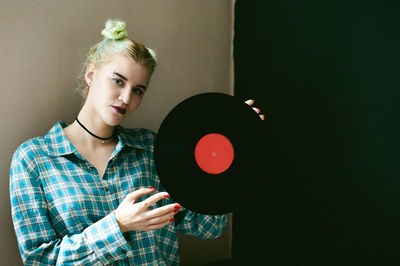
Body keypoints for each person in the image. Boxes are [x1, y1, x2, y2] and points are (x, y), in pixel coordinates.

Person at [9, 19, 264, 265]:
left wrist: (233, 137)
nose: (126, 97)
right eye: (118, 81)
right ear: (91, 74)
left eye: (138, 90)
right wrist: (118, 224)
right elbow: (39, 261)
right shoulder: (34, 159)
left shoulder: (151, 149)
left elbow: (206, 227)